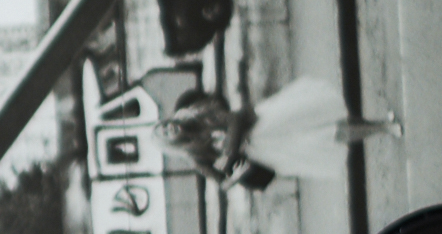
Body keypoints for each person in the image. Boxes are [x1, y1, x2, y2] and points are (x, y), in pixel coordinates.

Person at [155, 78, 400, 185]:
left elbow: (233, 118)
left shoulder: (197, 114)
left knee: (322, 115)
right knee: (327, 135)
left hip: (265, 121)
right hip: (266, 150)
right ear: (171, 143)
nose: (170, 129)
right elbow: (222, 181)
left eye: (165, 125)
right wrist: (235, 174)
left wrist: (229, 151)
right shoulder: (197, 157)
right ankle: (382, 129)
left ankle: (378, 123)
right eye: (166, 133)